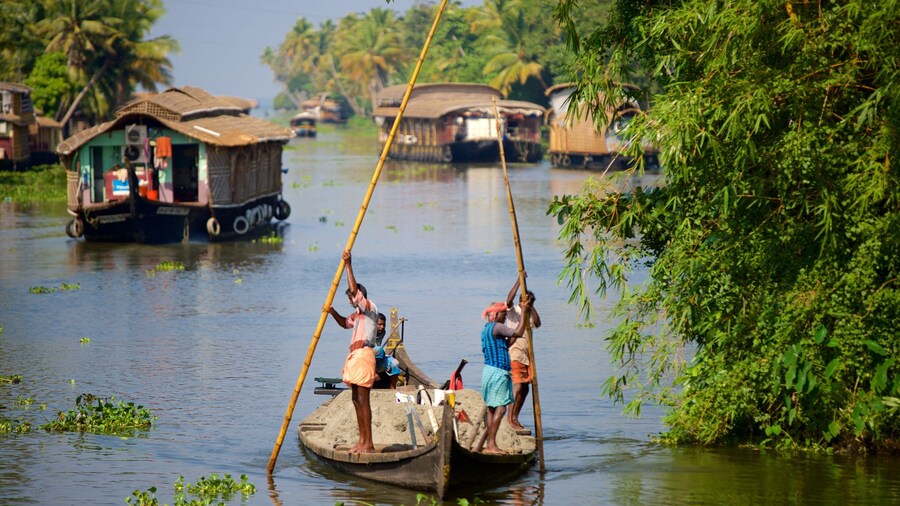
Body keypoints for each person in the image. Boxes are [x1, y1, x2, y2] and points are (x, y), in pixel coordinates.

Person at [326, 250, 378, 454]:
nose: (351, 300)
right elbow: (343, 323)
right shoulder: (356, 316)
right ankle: (362, 440)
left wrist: (348, 265)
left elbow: (354, 290)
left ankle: (369, 444)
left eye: (353, 297)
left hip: (364, 355)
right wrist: (332, 313)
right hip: (354, 357)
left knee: (364, 399)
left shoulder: (370, 308)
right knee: (356, 399)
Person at [476, 294, 533, 455]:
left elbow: (507, 344)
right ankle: (491, 445)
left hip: (488, 372)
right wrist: (523, 311)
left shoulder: (486, 330)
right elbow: (519, 332)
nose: (505, 315)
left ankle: (488, 444)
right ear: (495, 315)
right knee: (500, 410)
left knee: (492, 409)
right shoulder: (497, 326)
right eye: (503, 314)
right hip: (498, 372)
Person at [505, 274, 542, 432]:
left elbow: (538, 323)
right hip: (515, 354)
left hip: (527, 357)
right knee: (517, 385)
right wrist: (519, 282)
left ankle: (515, 417)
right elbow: (508, 300)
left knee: (525, 388)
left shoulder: (529, 314)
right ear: (521, 301)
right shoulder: (515, 311)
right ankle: (509, 419)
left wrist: (531, 307)